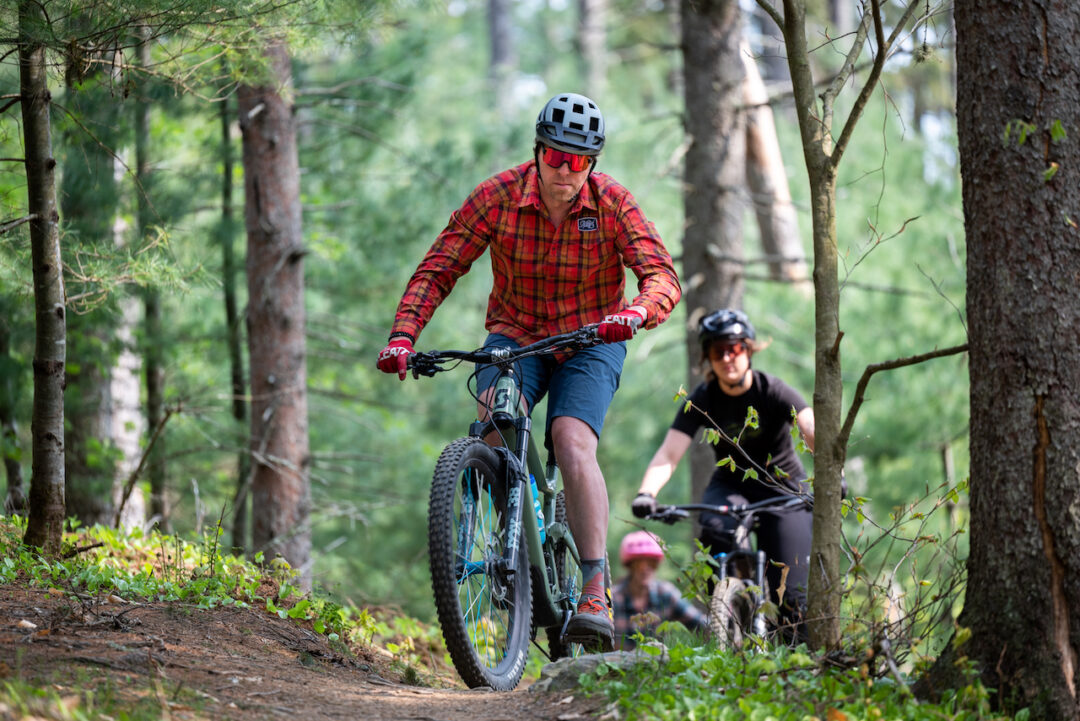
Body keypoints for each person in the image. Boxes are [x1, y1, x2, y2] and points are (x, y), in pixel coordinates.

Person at [376, 92, 682, 651]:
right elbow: (439, 267)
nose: (566, 170)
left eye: (579, 160)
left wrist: (637, 312)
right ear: (538, 151)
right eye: (557, 157)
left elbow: (661, 274)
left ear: (592, 163)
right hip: (518, 334)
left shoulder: (612, 203)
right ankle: (510, 537)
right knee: (493, 420)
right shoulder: (496, 197)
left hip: (594, 337)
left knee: (570, 439)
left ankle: (593, 587)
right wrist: (403, 335)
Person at [630, 309, 815, 642]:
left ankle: (797, 660)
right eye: (718, 350)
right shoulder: (701, 400)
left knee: (792, 596)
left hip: (783, 487)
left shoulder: (771, 390)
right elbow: (669, 453)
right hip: (732, 486)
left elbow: (811, 427)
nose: (728, 357)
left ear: (748, 349)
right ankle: (730, 619)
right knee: (714, 529)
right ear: (708, 357)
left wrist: (835, 473)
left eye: (735, 348)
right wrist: (647, 493)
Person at [612, 531, 708, 650]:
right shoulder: (614, 597)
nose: (644, 568)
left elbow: (701, 624)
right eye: (639, 562)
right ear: (630, 565)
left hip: (658, 665)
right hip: (617, 665)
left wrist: (725, 621)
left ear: (656, 565)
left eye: (651, 563)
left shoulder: (665, 593)